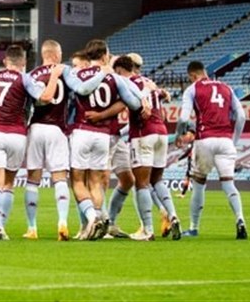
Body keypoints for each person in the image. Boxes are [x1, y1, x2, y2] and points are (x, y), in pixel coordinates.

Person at [0, 44, 63, 240]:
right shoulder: (24, 78)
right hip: (17, 135)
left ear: (5, 61)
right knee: (8, 183)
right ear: (24, 62)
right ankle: (2, 225)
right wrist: (54, 76)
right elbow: (46, 97)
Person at [68, 39, 144, 241]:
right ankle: (97, 222)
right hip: (103, 135)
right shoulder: (114, 78)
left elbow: (78, 91)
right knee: (96, 182)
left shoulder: (78, 74)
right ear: (104, 56)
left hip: (82, 131)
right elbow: (134, 103)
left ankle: (92, 220)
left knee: (77, 180)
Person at [113, 55, 182, 241]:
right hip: (161, 133)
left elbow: (132, 105)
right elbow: (161, 98)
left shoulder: (127, 83)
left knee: (141, 183)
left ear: (119, 70)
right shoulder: (148, 81)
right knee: (157, 180)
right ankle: (173, 215)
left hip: (143, 134)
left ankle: (148, 230)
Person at [176, 60, 248, 240]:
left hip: (205, 140)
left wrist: (179, 135)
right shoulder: (226, 88)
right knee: (229, 184)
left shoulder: (192, 89)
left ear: (193, 75)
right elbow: (241, 116)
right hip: (225, 141)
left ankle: (193, 228)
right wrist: (234, 141)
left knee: (199, 185)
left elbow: (184, 118)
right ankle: (240, 220)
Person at [22, 40, 75, 241]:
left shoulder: (32, 75)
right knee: (59, 178)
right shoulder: (65, 71)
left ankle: (32, 228)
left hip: (36, 128)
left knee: (33, 179)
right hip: (57, 129)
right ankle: (62, 222)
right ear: (56, 54)